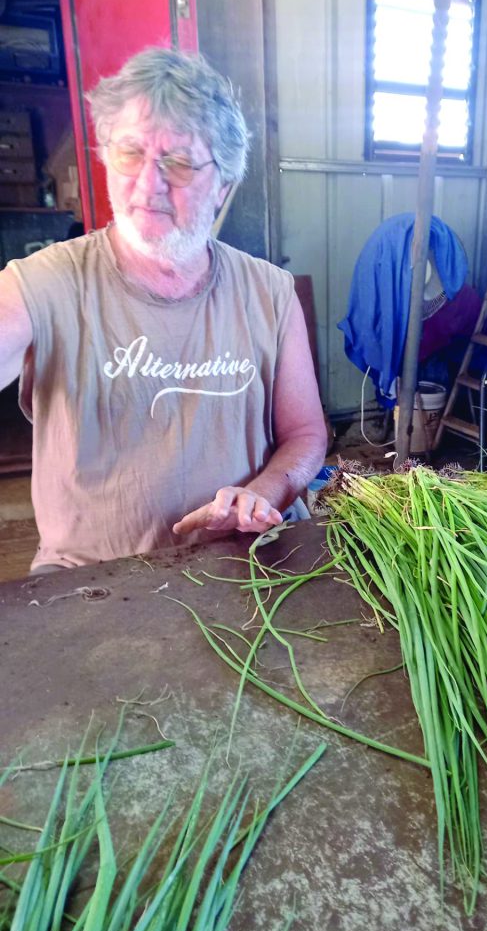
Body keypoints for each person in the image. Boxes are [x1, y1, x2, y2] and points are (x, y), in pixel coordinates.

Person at [0, 47, 327, 571]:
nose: (147, 185)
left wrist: (266, 493)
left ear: (222, 185)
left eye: (176, 162)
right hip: (92, 586)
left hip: (243, 563)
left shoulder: (269, 291)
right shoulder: (45, 282)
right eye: (130, 154)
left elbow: (306, 435)